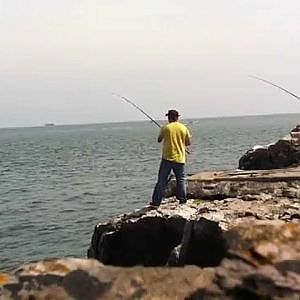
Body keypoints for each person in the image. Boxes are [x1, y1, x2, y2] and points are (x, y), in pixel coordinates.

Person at [150, 109, 191, 207]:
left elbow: (159, 140)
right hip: (180, 158)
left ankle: (156, 202)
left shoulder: (165, 127)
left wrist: (164, 131)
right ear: (177, 117)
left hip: (167, 158)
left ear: (169, 117)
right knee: (181, 180)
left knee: (161, 180)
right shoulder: (183, 128)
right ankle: (182, 200)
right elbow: (188, 143)